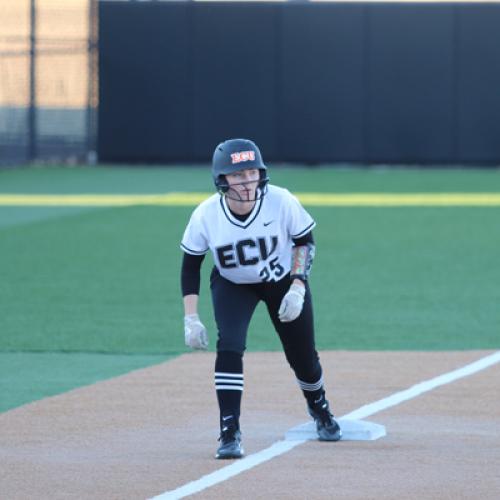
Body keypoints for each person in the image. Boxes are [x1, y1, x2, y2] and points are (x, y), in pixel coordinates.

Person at [180, 138, 341, 460]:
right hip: (233, 283)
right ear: (222, 179)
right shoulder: (206, 214)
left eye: (252, 172)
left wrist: (297, 285)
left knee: (302, 356)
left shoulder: (280, 200)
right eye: (238, 175)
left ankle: (319, 407)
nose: (247, 181)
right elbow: (191, 264)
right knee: (229, 346)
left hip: (282, 281)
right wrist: (191, 317)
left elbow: (304, 242)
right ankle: (229, 431)